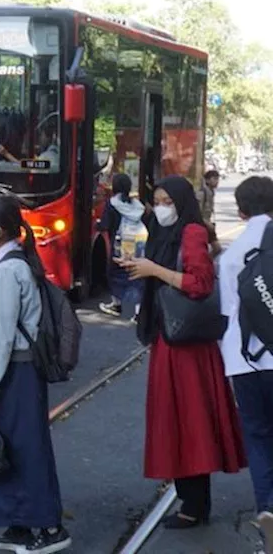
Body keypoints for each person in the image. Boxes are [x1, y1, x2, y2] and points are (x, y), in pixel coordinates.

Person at [119, 175, 246, 528]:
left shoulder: (191, 232)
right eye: (156, 200)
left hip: (186, 344)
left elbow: (200, 283)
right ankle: (190, 499)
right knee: (178, 418)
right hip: (170, 336)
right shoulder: (165, 232)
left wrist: (153, 270)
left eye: (166, 201)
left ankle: (194, 503)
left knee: (189, 418)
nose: (160, 207)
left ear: (180, 201)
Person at [0, 198, 71, 553]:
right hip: (19, 371)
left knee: (26, 448)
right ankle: (21, 525)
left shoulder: (9, 272)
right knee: (13, 446)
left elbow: (0, 336)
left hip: (17, 372)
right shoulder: (12, 263)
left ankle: (49, 527)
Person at [219, 176, 273, 552]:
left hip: (245, 361)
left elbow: (228, 313)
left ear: (240, 210)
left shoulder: (233, 252)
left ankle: (267, 508)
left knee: (257, 435)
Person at [98, 174, 145, 317]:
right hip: (138, 245)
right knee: (136, 274)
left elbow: (105, 225)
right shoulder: (137, 205)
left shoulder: (112, 204)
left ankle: (116, 305)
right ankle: (138, 312)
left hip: (119, 246)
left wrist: (97, 225)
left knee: (115, 273)